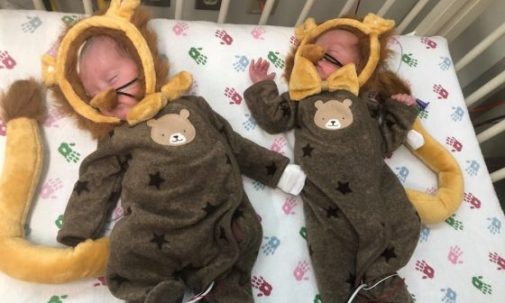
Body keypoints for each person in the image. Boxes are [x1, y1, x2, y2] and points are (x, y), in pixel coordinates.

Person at [54, 8, 306, 303]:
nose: (106, 95)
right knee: (125, 252)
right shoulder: (118, 136)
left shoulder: (193, 106)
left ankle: (225, 289)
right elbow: (95, 179)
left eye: (112, 78)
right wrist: (78, 229)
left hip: (220, 220)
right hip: (155, 229)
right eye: (94, 94)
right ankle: (156, 294)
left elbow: (234, 144)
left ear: (143, 62)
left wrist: (277, 170)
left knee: (235, 258)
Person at [244, 15, 421, 303]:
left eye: (328, 57)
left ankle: (382, 282)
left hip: (374, 187)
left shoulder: (363, 102)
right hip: (324, 198)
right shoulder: (302, 98)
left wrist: (400, 112)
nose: (315, 61)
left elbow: (386, 141)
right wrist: (263, 87)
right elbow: (274, 119)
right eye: (312, 53)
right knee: (330, 256)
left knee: (405, 225)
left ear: (358, 69)